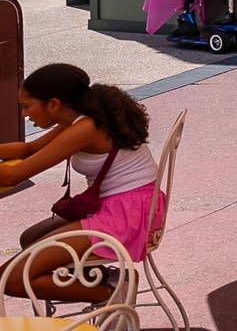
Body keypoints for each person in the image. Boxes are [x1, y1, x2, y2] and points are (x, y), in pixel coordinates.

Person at [0, 64, 161, 302]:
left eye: (27, 106)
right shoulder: (80, 120)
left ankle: (112, 293)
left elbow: (13, 176)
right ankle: (108, 278)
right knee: (30, 238)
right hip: (132, 205)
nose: (24, 114)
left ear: (53, 104)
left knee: (11, 279)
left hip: (128, 215)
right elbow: (29, 148)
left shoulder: (86, 128)